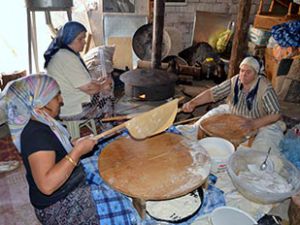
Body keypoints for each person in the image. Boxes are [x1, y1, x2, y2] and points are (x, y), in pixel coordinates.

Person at [2, 74, 99, 224]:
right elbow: (47, 186)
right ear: (39, 103)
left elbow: (54, 145)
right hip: (57, 206)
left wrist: (73, 144)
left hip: (63, 189)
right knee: (117, 201)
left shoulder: (42, 120)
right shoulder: (36, 134)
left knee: (102, 165)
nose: (61, 100)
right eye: (55, 96)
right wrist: (77, 152)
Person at [182, 56, 285, 153]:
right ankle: (189, 132)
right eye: (242, 71)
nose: (243, 74)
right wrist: (193, 102)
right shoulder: (234, 81)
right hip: (234, 111)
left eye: (248, 72)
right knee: (210, 116)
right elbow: (212, 94)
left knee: (262, 148)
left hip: (260, 119)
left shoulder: (265, 88)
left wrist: (254, 124)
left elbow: (276, 114)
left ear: (256, 74)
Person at [44, 21, 113, 121]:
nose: (84, 42)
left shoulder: (61, 53)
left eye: (84, 38)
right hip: (72, 109)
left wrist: (99, 82)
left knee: (104, 88)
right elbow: (88, 88)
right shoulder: (67, 57)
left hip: (64, 104)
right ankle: (108, 127)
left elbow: (81, 82)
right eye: (80, 39)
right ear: (69, 39)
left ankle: (106, 124)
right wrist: (103, 85)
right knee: (107, 94)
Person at [270, 20, 300, 103]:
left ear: (288, 50)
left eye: (276, 47)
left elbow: (280, 100)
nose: (274, 59)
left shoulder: (287, 64)